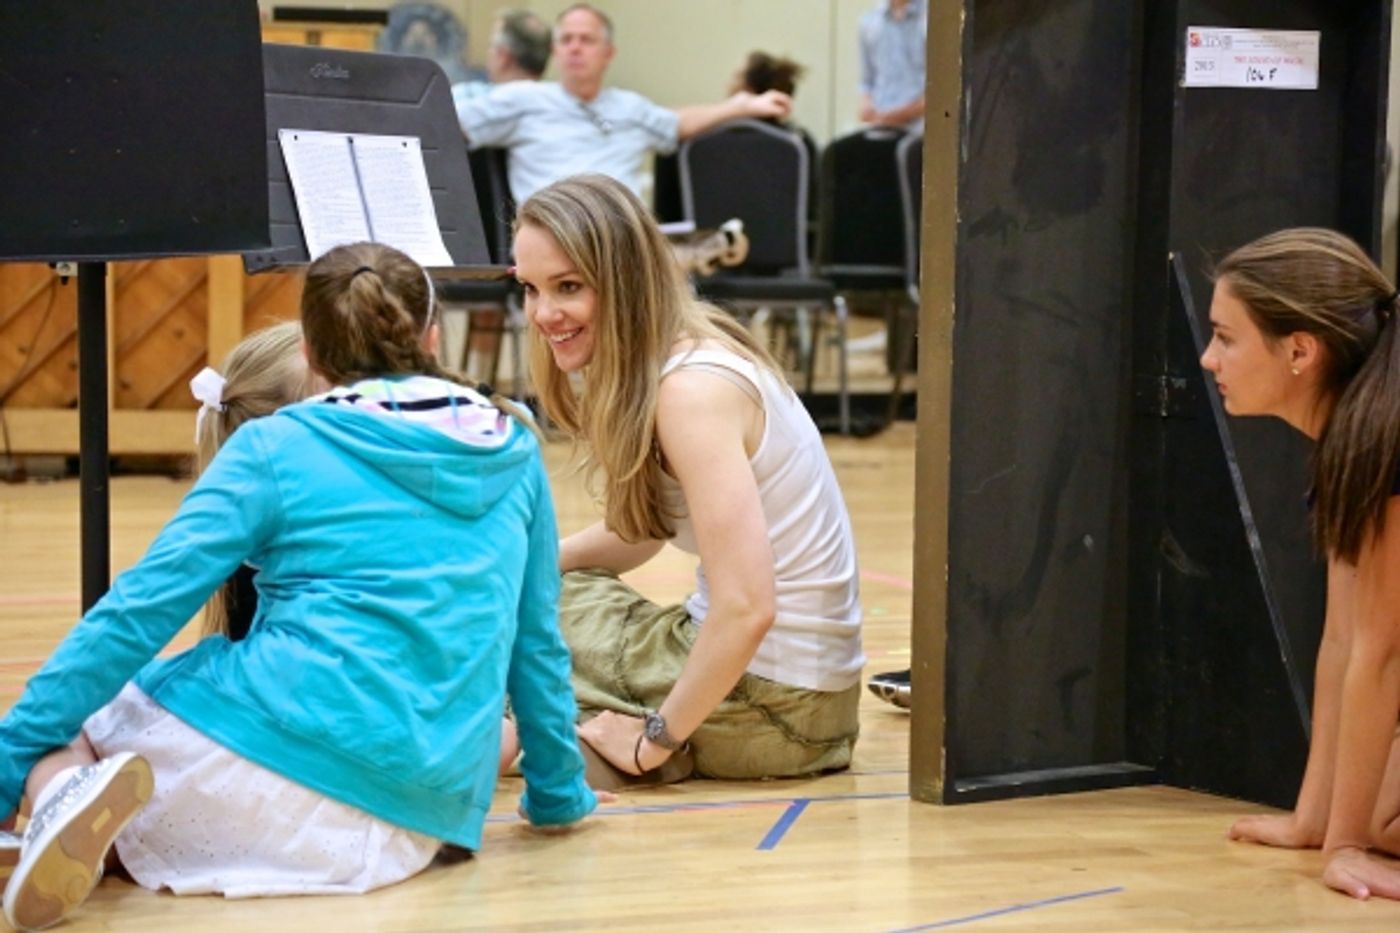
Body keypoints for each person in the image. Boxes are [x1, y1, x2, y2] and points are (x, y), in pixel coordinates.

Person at [0, 242, 596, 930]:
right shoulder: (515, 449)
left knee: (70, 724)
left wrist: (10, 758)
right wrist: (557, 795)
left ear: (310, 353)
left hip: (265, 767)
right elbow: (535, 646)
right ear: (432, 337)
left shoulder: (273, 445)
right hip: (417, 823)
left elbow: (136, 613)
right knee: (477, 723)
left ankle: (58, 798)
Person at [512, 174, 864, 782]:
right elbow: (648, 532)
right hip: (800, 700)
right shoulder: (688, 347)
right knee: (539, 590)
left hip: (775, 707)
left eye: (568, 286)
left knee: (511, 631)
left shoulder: (690, 392)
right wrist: (522, 561)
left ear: (625, 283)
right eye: (530, 288)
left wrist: (655, 739)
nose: (545, 313)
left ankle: (640, 746)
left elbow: (748, 607)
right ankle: (589, 732)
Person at [1200, 228, 1400, 901]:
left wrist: (1349, 845)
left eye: (1226, 337)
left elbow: (1383, 651)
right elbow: (1341, 640)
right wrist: (1316, 819)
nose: (1207, 357)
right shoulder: (1352, 440)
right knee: (1377, 809)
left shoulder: (1388, 441)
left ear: (1299, 350)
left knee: (1381, 817)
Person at [456, 3, 793, 203]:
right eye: (566, 40)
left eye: (586, 40)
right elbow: (450, 123)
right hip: (551, 231)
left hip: (623, 237)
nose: (575, 48)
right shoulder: (523, 98)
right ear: (555, 52)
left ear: (608, 54)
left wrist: (742, 106)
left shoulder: (630, 108)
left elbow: (675, 124)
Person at [450, 8, 552, 110]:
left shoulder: (464, 98)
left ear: (503, 56)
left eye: (491, 46)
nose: (488, 52)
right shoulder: (557, 105)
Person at [858, 0, 927, 129]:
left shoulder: (932, 19)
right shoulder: (869, 22)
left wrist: (901, 114)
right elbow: (867, 81)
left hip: (921, 127)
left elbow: (942, 90)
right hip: (880, 124)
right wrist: (867, 106)